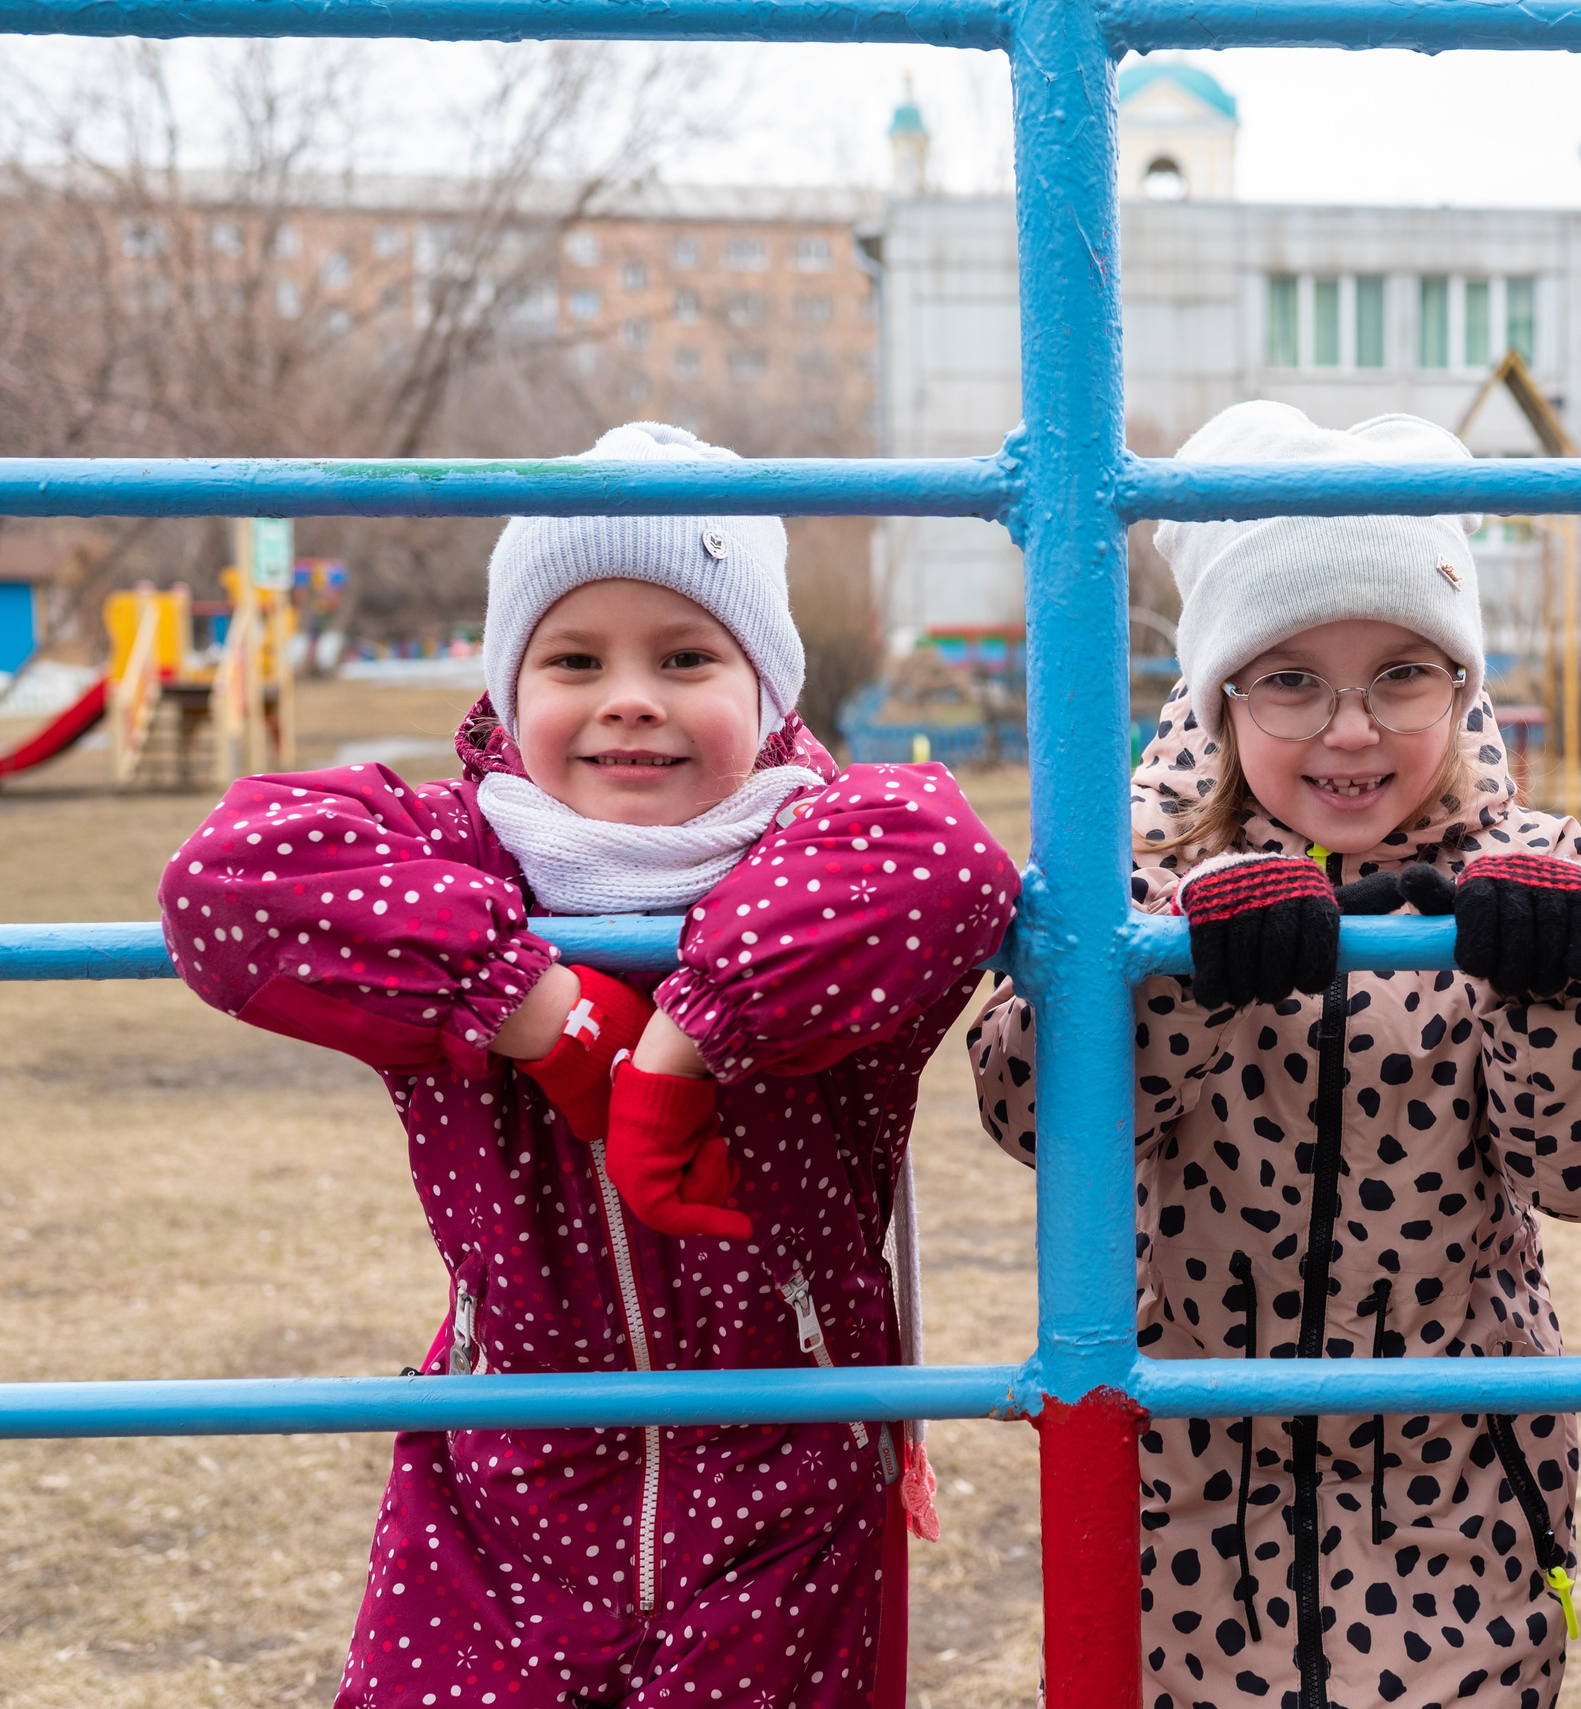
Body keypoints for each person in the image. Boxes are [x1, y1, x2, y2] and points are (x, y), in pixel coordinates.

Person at [159, 421, 1020, 1709]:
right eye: (574, 659)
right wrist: (545, 1009)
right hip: (505, 1479)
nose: (629, 696)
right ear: (512, 691)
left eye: (686, 657)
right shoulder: (461, 854)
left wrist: (682, 1042)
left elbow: (952, 856)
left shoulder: (823, 841)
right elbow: (227, 879)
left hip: (783, 1482)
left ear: (770, 693)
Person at [969, 401, 1581, 1709]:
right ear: (1223, 690)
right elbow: (1028, 1107)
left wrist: (1554, 992)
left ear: (1462, 685)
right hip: (1183, 1492)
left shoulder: (1530, 870)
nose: (1352, 729)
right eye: (1293, 677)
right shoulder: (1131, 871)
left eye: (1401, 675)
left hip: (1453, 1489)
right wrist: (1179, 975)